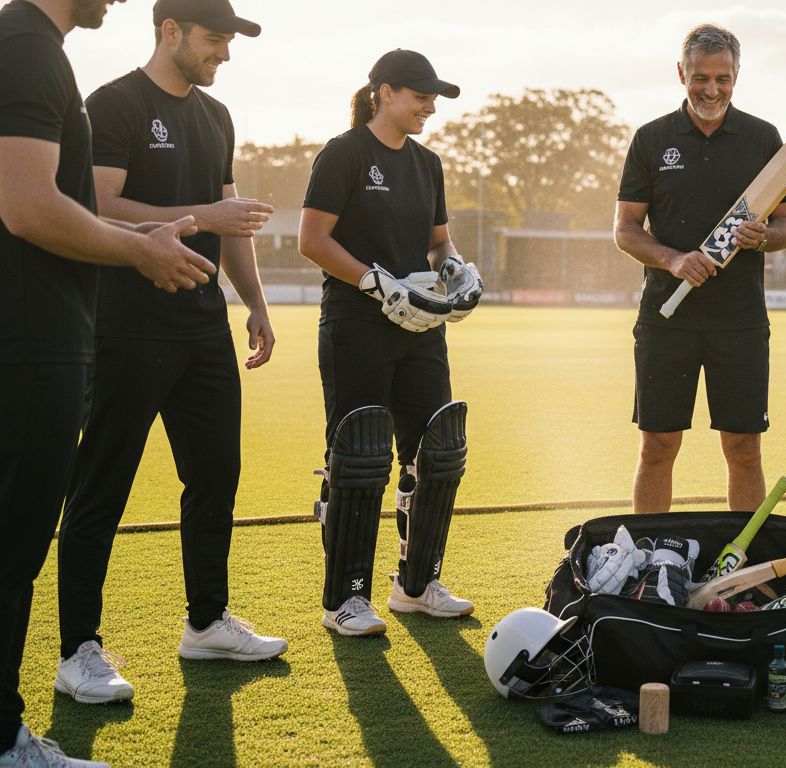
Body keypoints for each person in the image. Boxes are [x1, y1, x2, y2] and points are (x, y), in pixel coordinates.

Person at [53, 0, 286, 709]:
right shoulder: (113, 102)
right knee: (103, 485)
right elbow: (98, 203)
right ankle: (77, 651)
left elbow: (232, 223)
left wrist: (255, 302)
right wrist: (199, 218)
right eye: (215, 40)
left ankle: (207, 622)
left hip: (201, 329)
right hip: (126, 327)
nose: (224, 54)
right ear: (171, 31)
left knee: (216, 476)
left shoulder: (215, 117)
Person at [0, 0, 215, 762]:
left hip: (36, 338)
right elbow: (29, 206)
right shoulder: (28, 47)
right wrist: (140, 249)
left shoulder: (27, 44)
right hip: (29, 344)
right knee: (15, 549)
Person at [299, 48, 482, 637]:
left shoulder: (428, 163)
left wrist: (456, 268)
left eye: (433, 96)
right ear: (384, 92)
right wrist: (376, 281)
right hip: (357, 323)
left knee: (439, 450)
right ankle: (345, 599)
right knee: (359, 456)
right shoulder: (345, 152)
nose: (430, 105)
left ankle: (417, 584)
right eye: (420, 94)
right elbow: (311, 239)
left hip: (422, 327)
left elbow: (436, 244)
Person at [614, 23, 786, 514]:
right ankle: (647, 567)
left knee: (743, 450)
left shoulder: (763, 138)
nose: (711, 90)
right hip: (666, 318)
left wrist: (764, 237)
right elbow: (626, 230)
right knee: (657, 449)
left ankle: (745, 573)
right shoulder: (652, 140)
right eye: (700, 78)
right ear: (681, 73)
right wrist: (674, 260)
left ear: (736, 76)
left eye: (722, 78)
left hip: (740, 321)